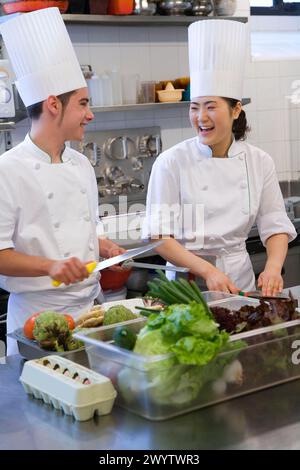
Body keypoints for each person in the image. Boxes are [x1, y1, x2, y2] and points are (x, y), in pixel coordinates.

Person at [0, 8, 125, 355]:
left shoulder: (82, 164)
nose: (90, 113)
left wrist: (106, 248)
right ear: (53, 104)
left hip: (90, 314)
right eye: (83, 103)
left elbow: (83, 227)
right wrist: (51, 266)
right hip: (37, 321)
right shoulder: (7, 169)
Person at [143, 19, 296, 297]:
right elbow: (159, 237)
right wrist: (208, 270)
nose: (201, 117)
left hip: (240, 282)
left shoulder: (259, 161)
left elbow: (275, 224)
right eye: (194, 107)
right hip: (185, 286)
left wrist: (273, 267)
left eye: (211, 107)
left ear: (236, 109)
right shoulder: (171, 162)